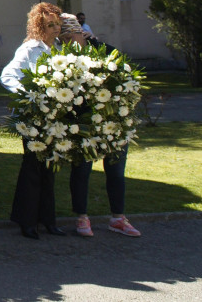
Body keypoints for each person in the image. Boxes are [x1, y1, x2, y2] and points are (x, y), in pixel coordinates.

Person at [59, 14, 141, 238]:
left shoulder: (103, 49)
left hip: (113, 121)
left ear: (79, 32)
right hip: (85, 124)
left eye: (68, 38)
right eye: (62, 40)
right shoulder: (63, 59)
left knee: (116, 172)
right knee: (82, 170)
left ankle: (118, 217)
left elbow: (126, 77)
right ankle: (82, 217)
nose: (66, 44)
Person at [0, 3, 66, 240]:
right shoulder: (29, 49)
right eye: (50, 25)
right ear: (40, 26)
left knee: (49, 169)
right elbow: (7, 75)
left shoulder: (58, 49)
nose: (56, 28)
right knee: (32, 169)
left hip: (53, 118)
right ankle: (26, 221)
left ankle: (48, 220)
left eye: (58, 23)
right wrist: (30, 94)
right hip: (33, 118)